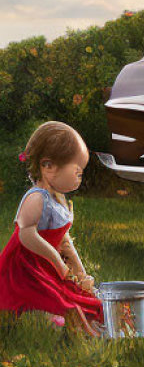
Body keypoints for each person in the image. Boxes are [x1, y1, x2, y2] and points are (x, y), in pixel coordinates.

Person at [0, 121, 104, 336]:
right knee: (60, 302)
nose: (79, 176)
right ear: (48, 166)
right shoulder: (36, 197)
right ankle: (77, 332)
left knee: (85, 298)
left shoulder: (58, 198)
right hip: (26, 269)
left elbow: (64, 241)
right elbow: (26, 234)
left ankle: (98, 325)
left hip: (45, 265)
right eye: (77, 170)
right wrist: (56, 261)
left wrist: (80, 273)